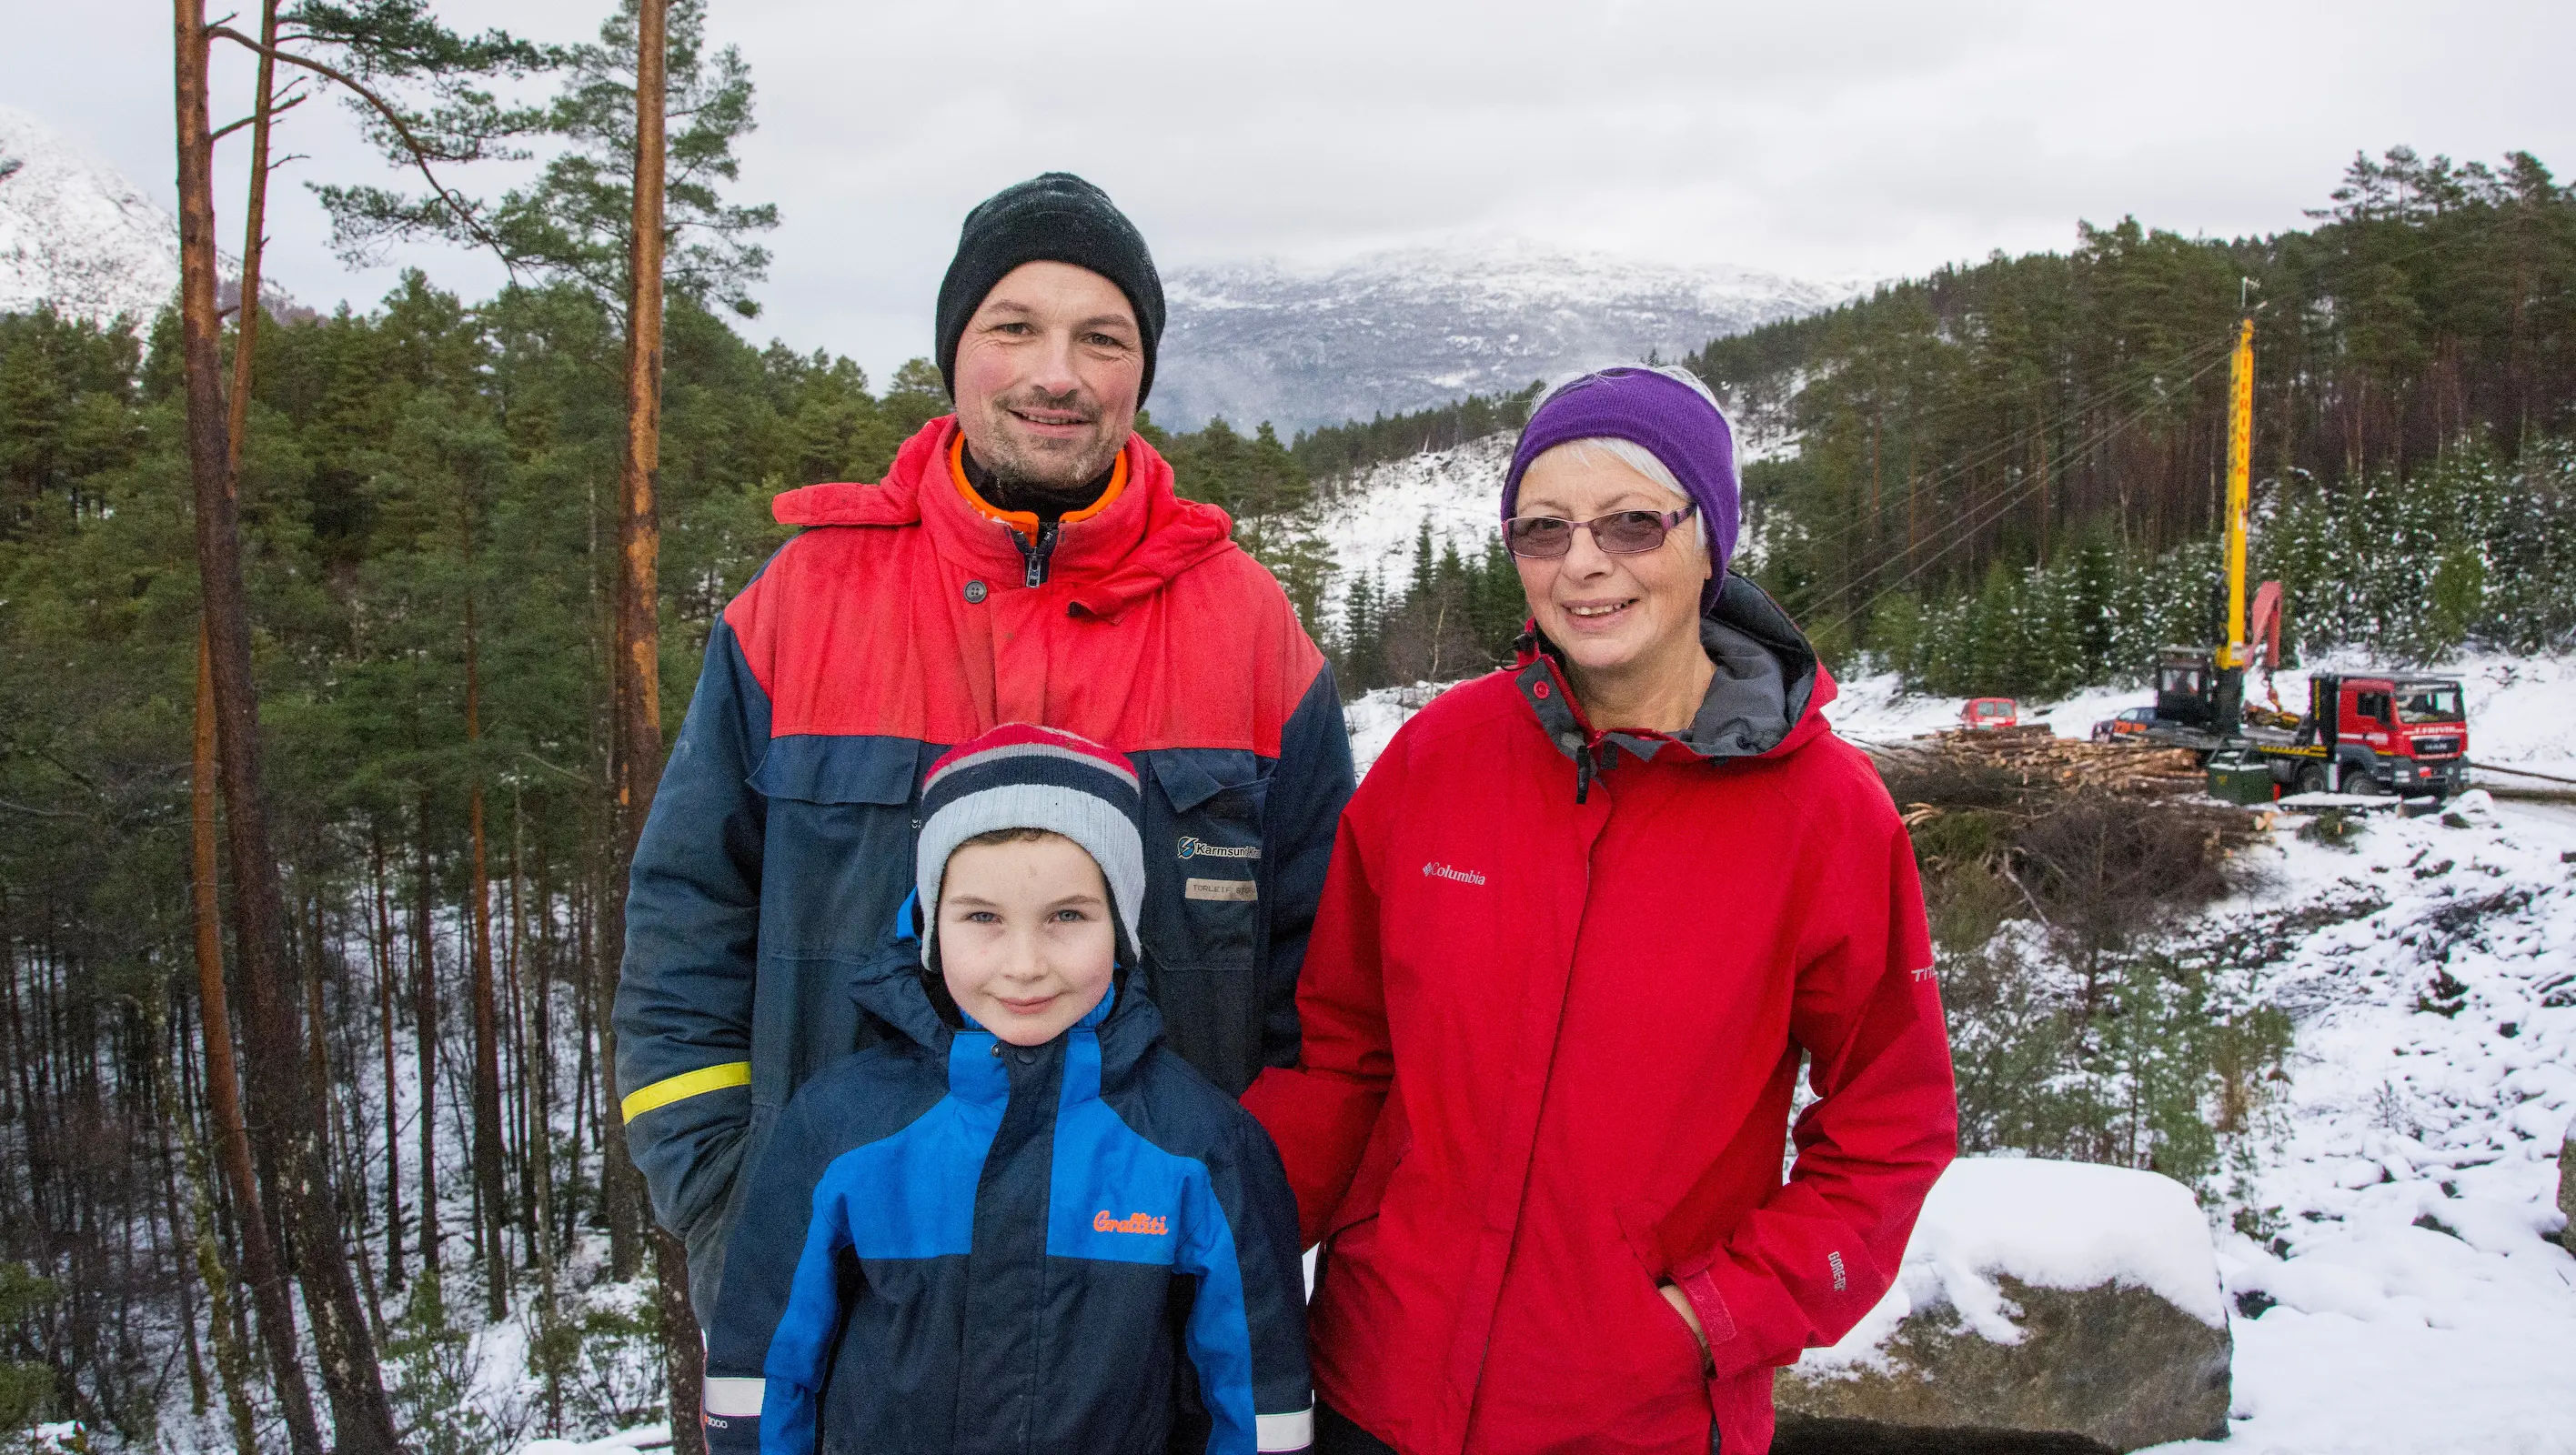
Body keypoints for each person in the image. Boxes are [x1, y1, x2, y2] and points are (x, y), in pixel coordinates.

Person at [614, 173, 1355, 1320]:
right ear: (956, 350)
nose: (1057, 373)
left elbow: (1330, 984)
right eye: (1015, 327)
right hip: (840, 1292)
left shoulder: (1248, 629)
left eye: (1100, 338)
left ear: (1140, 372)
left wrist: (1245, 1214)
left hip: (1152, 1310)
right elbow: (685, 922)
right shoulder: (802, 604)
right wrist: (728, 1198)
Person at [1242, 366, 1957, 1455]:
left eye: (1631, 522)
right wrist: (1210, 1235)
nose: (1583, 563)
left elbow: (1892, 1124)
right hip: (1375, 1391)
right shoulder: (1439, 760)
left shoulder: (1827, 816)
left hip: (1638, 1415)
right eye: (1544, 530)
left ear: (1709, 539)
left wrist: (1718, 1318)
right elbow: (1343, 1055)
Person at [698, 726, 1313, 1455]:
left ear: (1121, 928)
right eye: (982, 917)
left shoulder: (1199, 1147)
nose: (1024, 965)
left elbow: (1260, 1398)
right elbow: (762, 1372)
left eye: (1068, 917)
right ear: (931, 926)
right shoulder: (838, 1131)